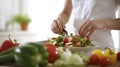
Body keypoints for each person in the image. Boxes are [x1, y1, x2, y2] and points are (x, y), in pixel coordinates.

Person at [51, 0, 120, 49]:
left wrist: (101, 24)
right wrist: (59, 20)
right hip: (76, 48)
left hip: (103, 49)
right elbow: (66, 12)